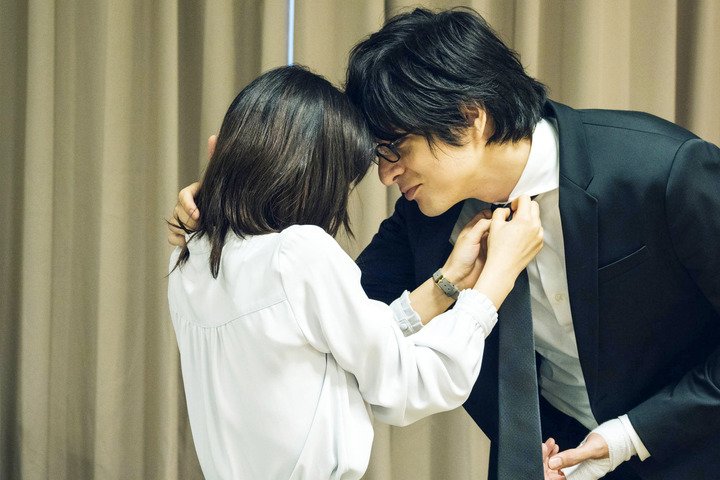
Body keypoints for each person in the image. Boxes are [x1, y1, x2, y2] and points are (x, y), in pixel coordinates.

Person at [172, 8, 720, 480]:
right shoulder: (423, 219)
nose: (386, 175)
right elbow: (334, 325)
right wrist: (227, 216)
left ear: (469, 117)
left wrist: (626, 437)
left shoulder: (663, 170)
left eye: (396, 149)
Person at [166, 64, 551, 480]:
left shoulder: (188, 262)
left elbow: (348, 344)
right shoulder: (298, 253)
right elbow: (408, 382)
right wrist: (496, 280)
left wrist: (447, 283)